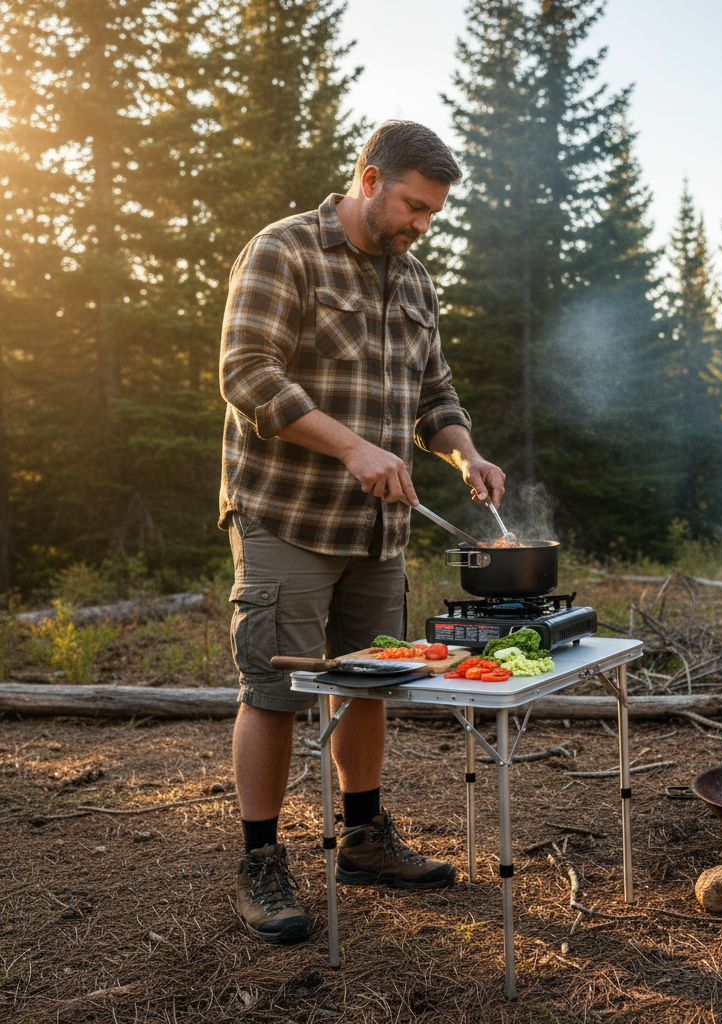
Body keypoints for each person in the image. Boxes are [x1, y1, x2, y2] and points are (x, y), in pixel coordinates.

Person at [218, 120, 506, 944]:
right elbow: (247, 375)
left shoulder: (413, 282)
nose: (422, 225)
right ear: (370, 179)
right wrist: (350, 446)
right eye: (414, 206)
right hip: (287, 515)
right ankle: (261, 859)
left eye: (434, 214)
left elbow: (436, 397)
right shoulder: (284, 251)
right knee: (274, 687)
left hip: (379, 530)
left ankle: (365, 838)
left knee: (370, 680)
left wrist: (465, 454)